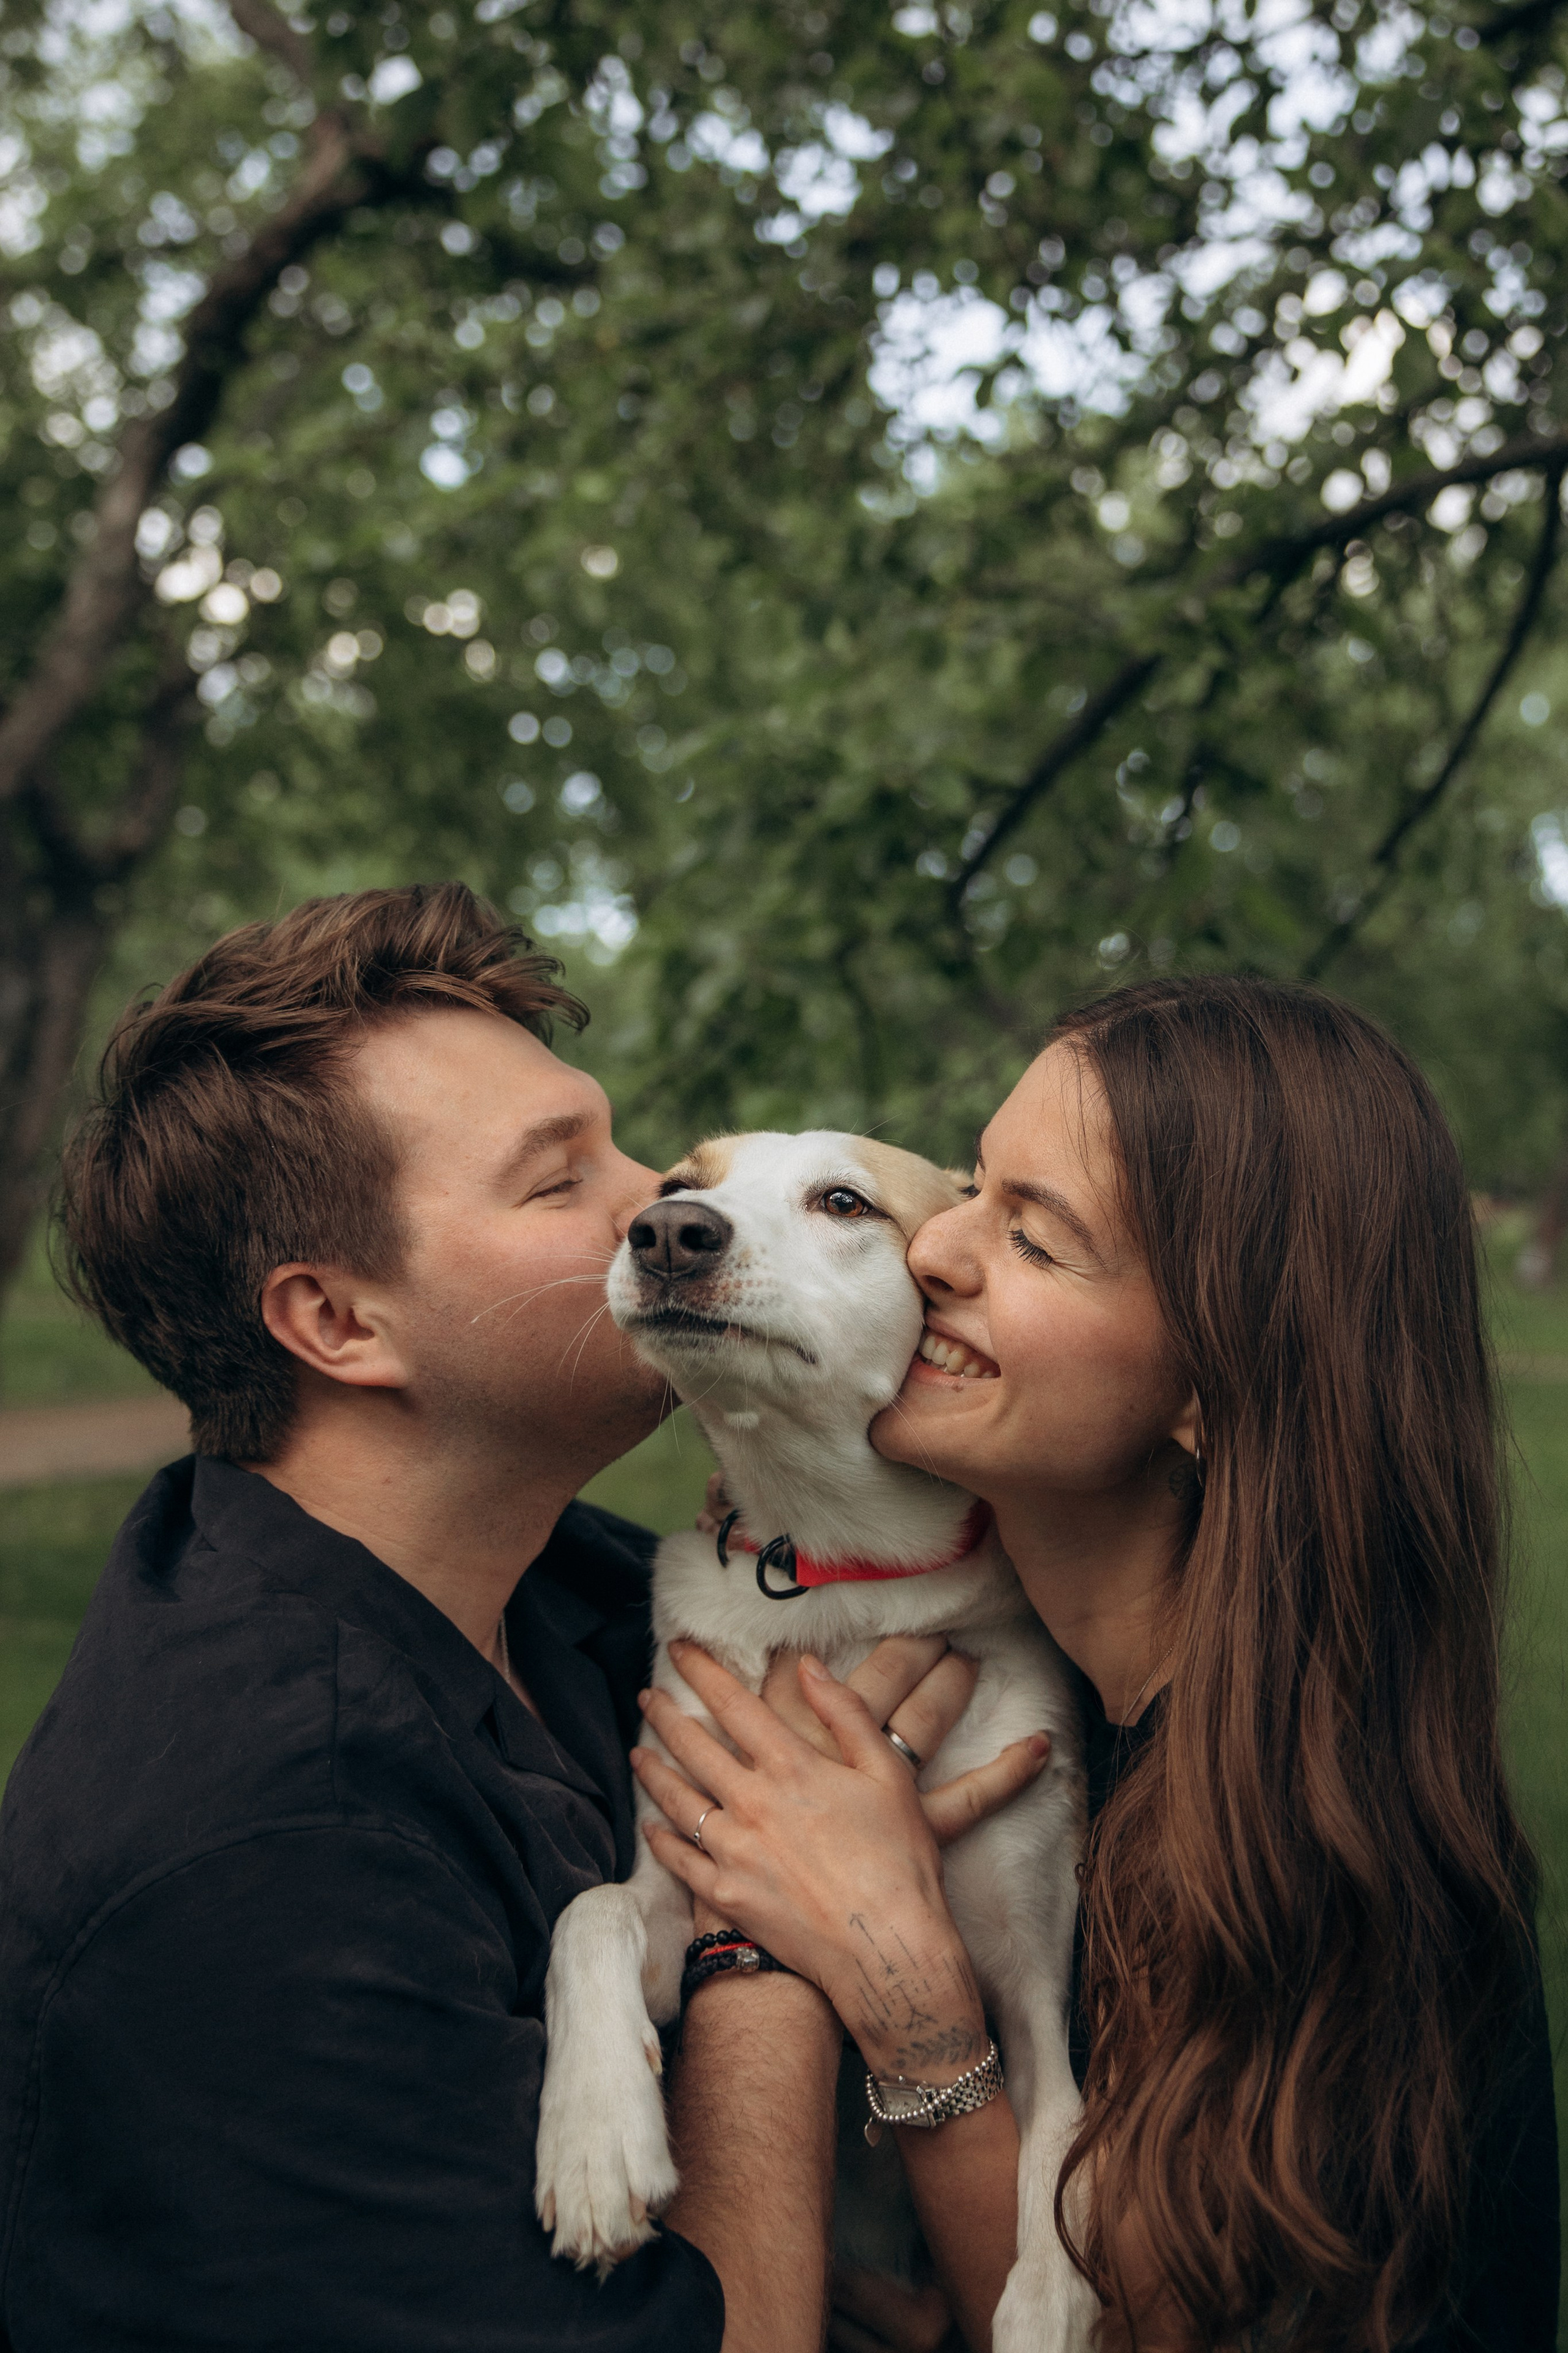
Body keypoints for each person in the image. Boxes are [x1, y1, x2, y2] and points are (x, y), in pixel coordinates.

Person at [0, 883, 1045, 2353]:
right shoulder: (262, 1863)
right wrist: (766, 1929)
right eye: (559, 1182)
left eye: (629, 1148)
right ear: (341, 1325)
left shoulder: (572, 1586)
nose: (660, 1207)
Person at [636, 975, 1561, 2352]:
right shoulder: (1027, 1685)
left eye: (1033, 1236)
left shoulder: (1315, 1859)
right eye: (972, 1188)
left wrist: (919, 2022)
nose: (933, 1249)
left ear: (1205, 1384)